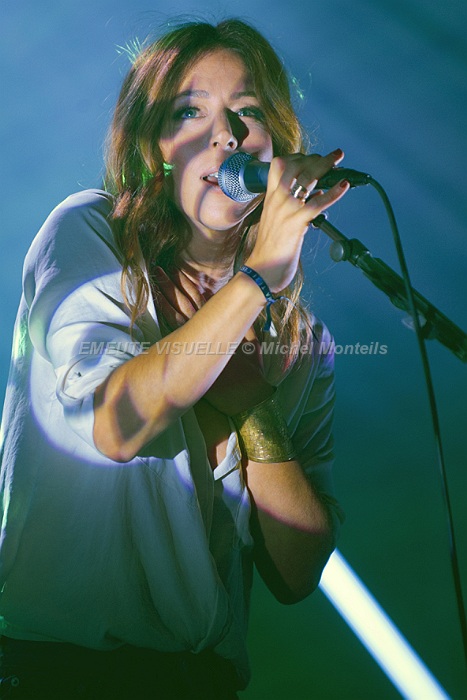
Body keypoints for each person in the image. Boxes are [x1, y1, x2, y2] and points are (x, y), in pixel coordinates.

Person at [0, 17, 348, 700]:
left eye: (248, 112)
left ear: (275, 145)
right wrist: (258, 278)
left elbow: (298, 572)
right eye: (190, 111)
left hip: (201, 683)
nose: (227, 136)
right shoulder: (90, 235)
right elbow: (116, 425)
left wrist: (253, 405)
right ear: (154, 146)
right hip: (56, 674)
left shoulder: (299, 341)